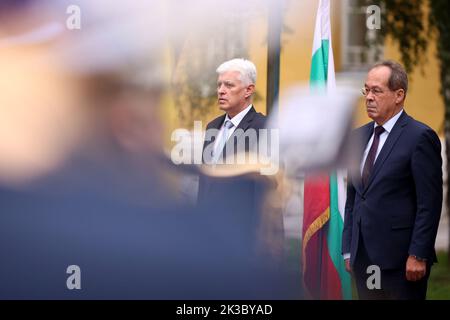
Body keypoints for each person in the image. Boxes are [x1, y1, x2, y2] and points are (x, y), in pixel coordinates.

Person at [342, 60, 443, 300]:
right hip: (363, 259)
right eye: (366, 90)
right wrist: (348, 250)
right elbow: (353, 199)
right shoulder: (358, 137)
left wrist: (418, 254)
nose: (368, 97)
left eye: (376, 90)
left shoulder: (420, 137)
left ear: (399, 95)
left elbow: (429, 204)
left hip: (402, 263)